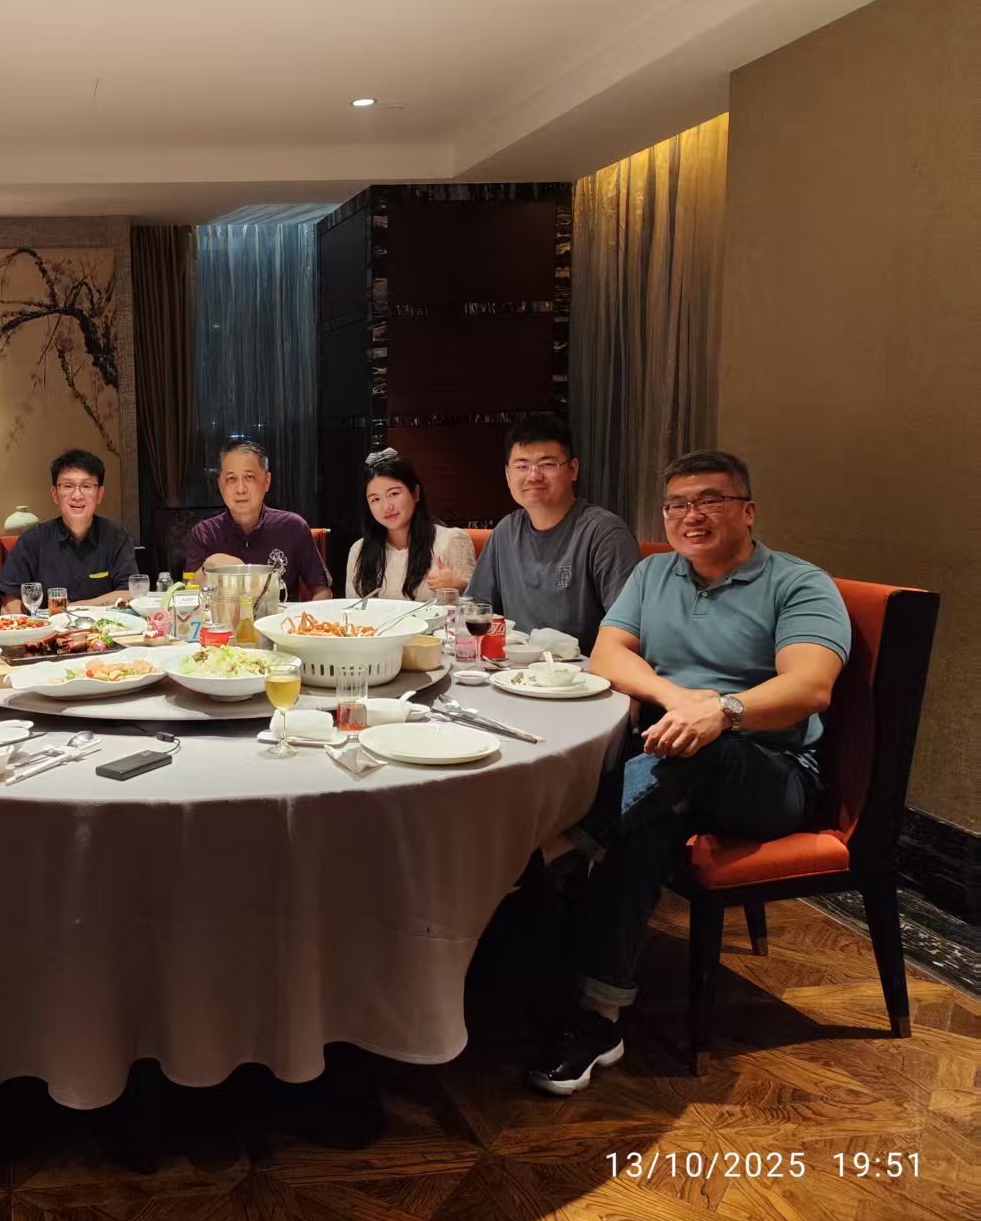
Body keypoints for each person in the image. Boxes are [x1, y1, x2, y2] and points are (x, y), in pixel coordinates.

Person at [526, 451, 849, 1096]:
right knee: (649, 824)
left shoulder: (798, 583)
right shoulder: (654, 574)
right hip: (669, 766)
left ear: (747, 511)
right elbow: (607, 654)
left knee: (697, 754)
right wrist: (680, 701)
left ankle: (551, 851)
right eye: (677, 504)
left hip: (771, 774)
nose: (690, 515)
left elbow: (811, 687)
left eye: (709, 501)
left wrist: (722, 713)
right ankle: (598, 1017)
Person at [466, 413, 640, 651]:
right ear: (508, 474)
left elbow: (630, 630)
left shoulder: (605, 534)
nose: (533, 475)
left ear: (573, 470)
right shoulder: (505, 532)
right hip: (515, 668)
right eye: (522, 466)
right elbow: (478, 608)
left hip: (584, 671)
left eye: (547, 464)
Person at [184, 439, 332, 598]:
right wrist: (208, 566)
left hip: (278, 613)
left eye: (249, 477)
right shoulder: (204, 534)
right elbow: (188, 594)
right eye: (231, 479)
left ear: (267, 481)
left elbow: (323, 591)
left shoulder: (293, 527)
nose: (241, 489)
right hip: (224, 614)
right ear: (220, 485)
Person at [0, 449, 139, 613]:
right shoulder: (31, 540)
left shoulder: (116, 535)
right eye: (68, 486)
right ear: (55, 494)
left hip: (103, 627)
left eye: (86, 486)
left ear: (99, 494)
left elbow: (130, 592)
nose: (77, 496)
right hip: (47, 628)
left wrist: (75, 607)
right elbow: (9, 602)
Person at [343, 448, 475, 602]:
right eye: (375, 499)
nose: (386, 507)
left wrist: (460, 586)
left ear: (415, 493)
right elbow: (352, 610)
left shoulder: (452, 541)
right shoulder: (359, 550)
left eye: (393, 494)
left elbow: (477, 606)